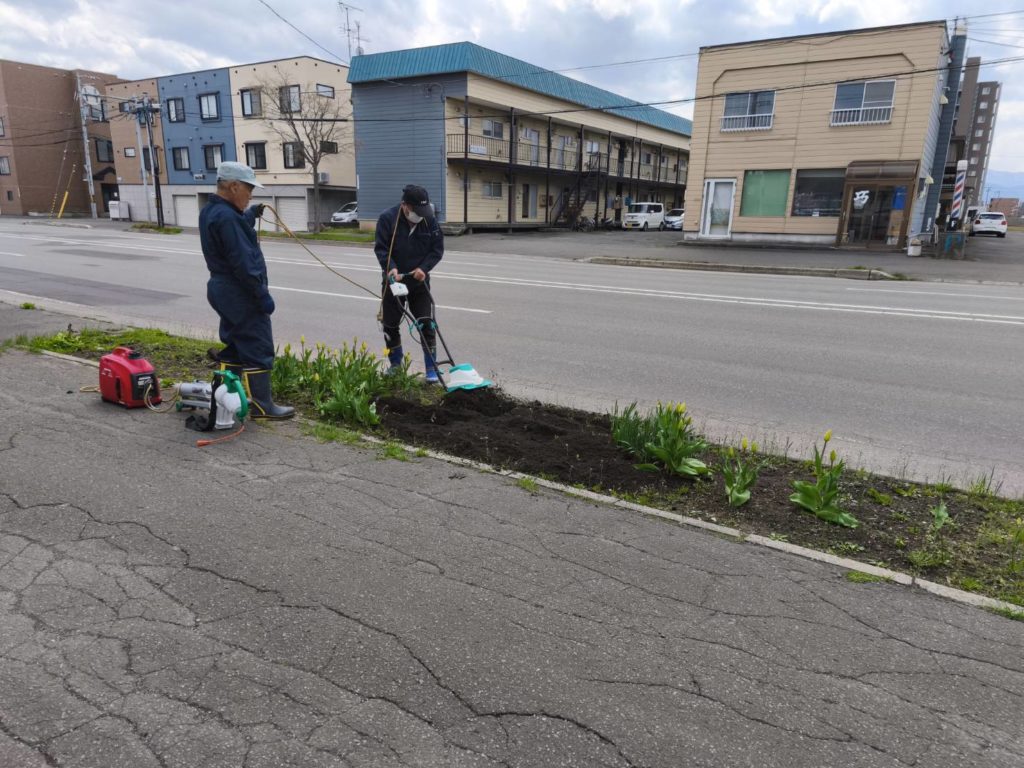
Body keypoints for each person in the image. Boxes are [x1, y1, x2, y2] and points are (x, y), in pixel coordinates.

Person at [199, 161, 294, 419]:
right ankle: (263, 406)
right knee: (257, 344)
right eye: (249, 189)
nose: (251, 195)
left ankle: (224, 399)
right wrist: (261, 296)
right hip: (239, 291)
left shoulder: (211, 211)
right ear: (233, 186)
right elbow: (243, 262)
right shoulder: (228, 218)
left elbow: (234, 229)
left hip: (221, 288)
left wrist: (251, 214)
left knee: (235, 345)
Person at [375, 184, 445, 382]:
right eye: (417, 211)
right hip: (394, 282)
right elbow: (381, 249)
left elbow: (437, 250)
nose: (420, 215)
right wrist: (391, 268)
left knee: (426, 323)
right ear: (405, 205)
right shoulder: (387, 219)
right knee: (390, 325)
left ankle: (431, 369)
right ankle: (396, 366)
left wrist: (424, 268)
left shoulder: (429, 220)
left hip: (419, 282)